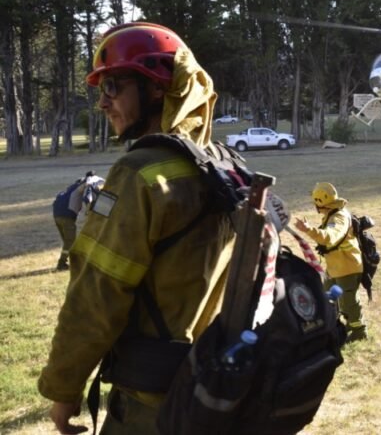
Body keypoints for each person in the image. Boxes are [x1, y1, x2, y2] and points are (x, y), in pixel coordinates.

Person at [38, 22, 237, 434]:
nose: (102, 103)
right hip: (217, 387)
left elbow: (96, 295)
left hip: (152, 404)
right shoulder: (223, 164)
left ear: (157, 88)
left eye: (112, 86)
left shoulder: (140, 173)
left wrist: (64, 388)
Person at [294, 182, 367, 342]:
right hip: (335, 267)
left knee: (348, 301)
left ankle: (358, 330)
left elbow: (330, 237)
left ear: (320, 202)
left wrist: (309, 230)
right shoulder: (332, 213)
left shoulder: (339, 217)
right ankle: (342, 325)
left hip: (347, 267)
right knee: (329, 298)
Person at [51, 171, 105, 271]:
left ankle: (73, 262)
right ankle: (61, 264)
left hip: (56, 216)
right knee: (70, 242)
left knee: (67, 242)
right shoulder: (84, 185)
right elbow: (87, 197)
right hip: (67, 217)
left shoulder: (70, 189)